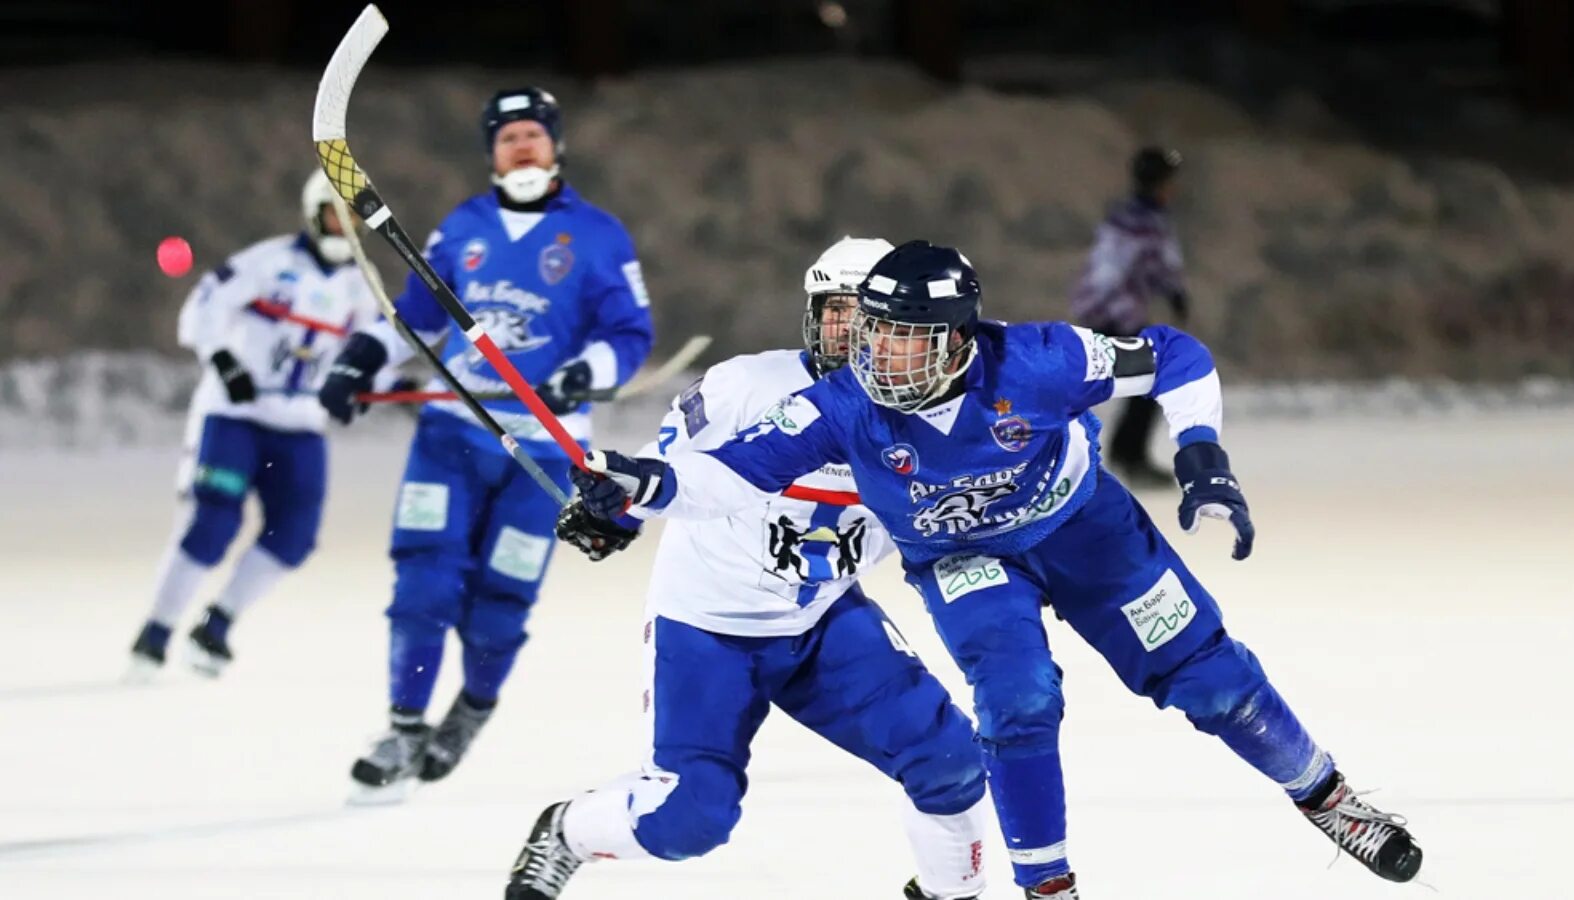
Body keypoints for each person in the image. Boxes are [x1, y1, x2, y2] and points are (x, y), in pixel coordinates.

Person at [568, 241, 1423, 897]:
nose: (881, 357)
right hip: (965, 560)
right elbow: (733, 471)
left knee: (1211, 679)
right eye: (874, 333)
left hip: (1084, 531)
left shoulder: (1042, 361)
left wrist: (1202, 454)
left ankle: (1329, 798)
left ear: (958, 338)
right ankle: (1048, 886)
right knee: (1017, 704)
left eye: (906, 340)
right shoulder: (844, 402)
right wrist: (644, 486)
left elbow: (1176, 356)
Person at [504, 237, 989, 900]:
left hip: (821, 621)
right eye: (833, 308)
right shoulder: (745, 387)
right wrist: (615, 508)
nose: (845, 328)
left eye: (862, 312)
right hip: (709, 629)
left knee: (951, 763)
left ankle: (948, 895)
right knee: (688, 820)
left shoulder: (936, 414)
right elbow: (666, 468)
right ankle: (566, 832)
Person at [317, 86, 655, 796]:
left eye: (534, 134)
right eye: (508, 138)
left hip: (546, 447)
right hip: (454, 433)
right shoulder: (461, 227)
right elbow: (414, 317)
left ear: (555, 145)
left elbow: (630, 336)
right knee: (424, 580)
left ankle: (473, 706)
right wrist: (358, 360)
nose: (522, 146)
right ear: (492, 153)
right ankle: (403, 728)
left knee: (500, 598)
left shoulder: (598, 235)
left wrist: (581, 374)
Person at [129, 171, 379, 679]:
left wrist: (361, 388)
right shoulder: (271, 261)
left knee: (295, 536)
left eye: (353, 215)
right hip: (236, 416)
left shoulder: (362, 286)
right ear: (314, 213)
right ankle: (154, 634)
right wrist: (225, 362)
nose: (344, 224)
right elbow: (205, 304)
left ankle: (217, 625)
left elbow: (371, 355)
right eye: (335, 212)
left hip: (302, 425)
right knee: (214, 522)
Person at [1070, 146, 1190, 485]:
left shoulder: (1123, 215)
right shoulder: (1146, 223)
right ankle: (1128, 457)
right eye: (1170, 181)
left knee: (1142, 379)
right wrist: (1176, 294)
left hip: (1097, 309)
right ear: (1161, 183)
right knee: (1152, 377)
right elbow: (1156, 266)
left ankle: (1124, 454)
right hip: (1112, 313)